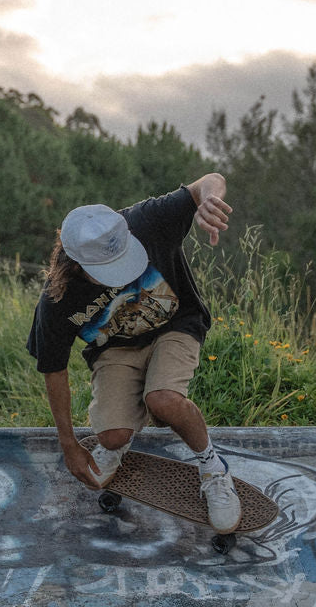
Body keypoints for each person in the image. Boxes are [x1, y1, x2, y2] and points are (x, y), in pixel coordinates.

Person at [27, 173, 242, 532]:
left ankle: (213, 468)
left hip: (176, 325)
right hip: (115, 349)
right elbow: (53, 369)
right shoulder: (56, 299)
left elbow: (211, 180)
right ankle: (119, 440)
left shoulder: (146, 220)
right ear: (77, 265)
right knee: (111, 436)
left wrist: (209, 201)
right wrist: (69, 444)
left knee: (164, 400)